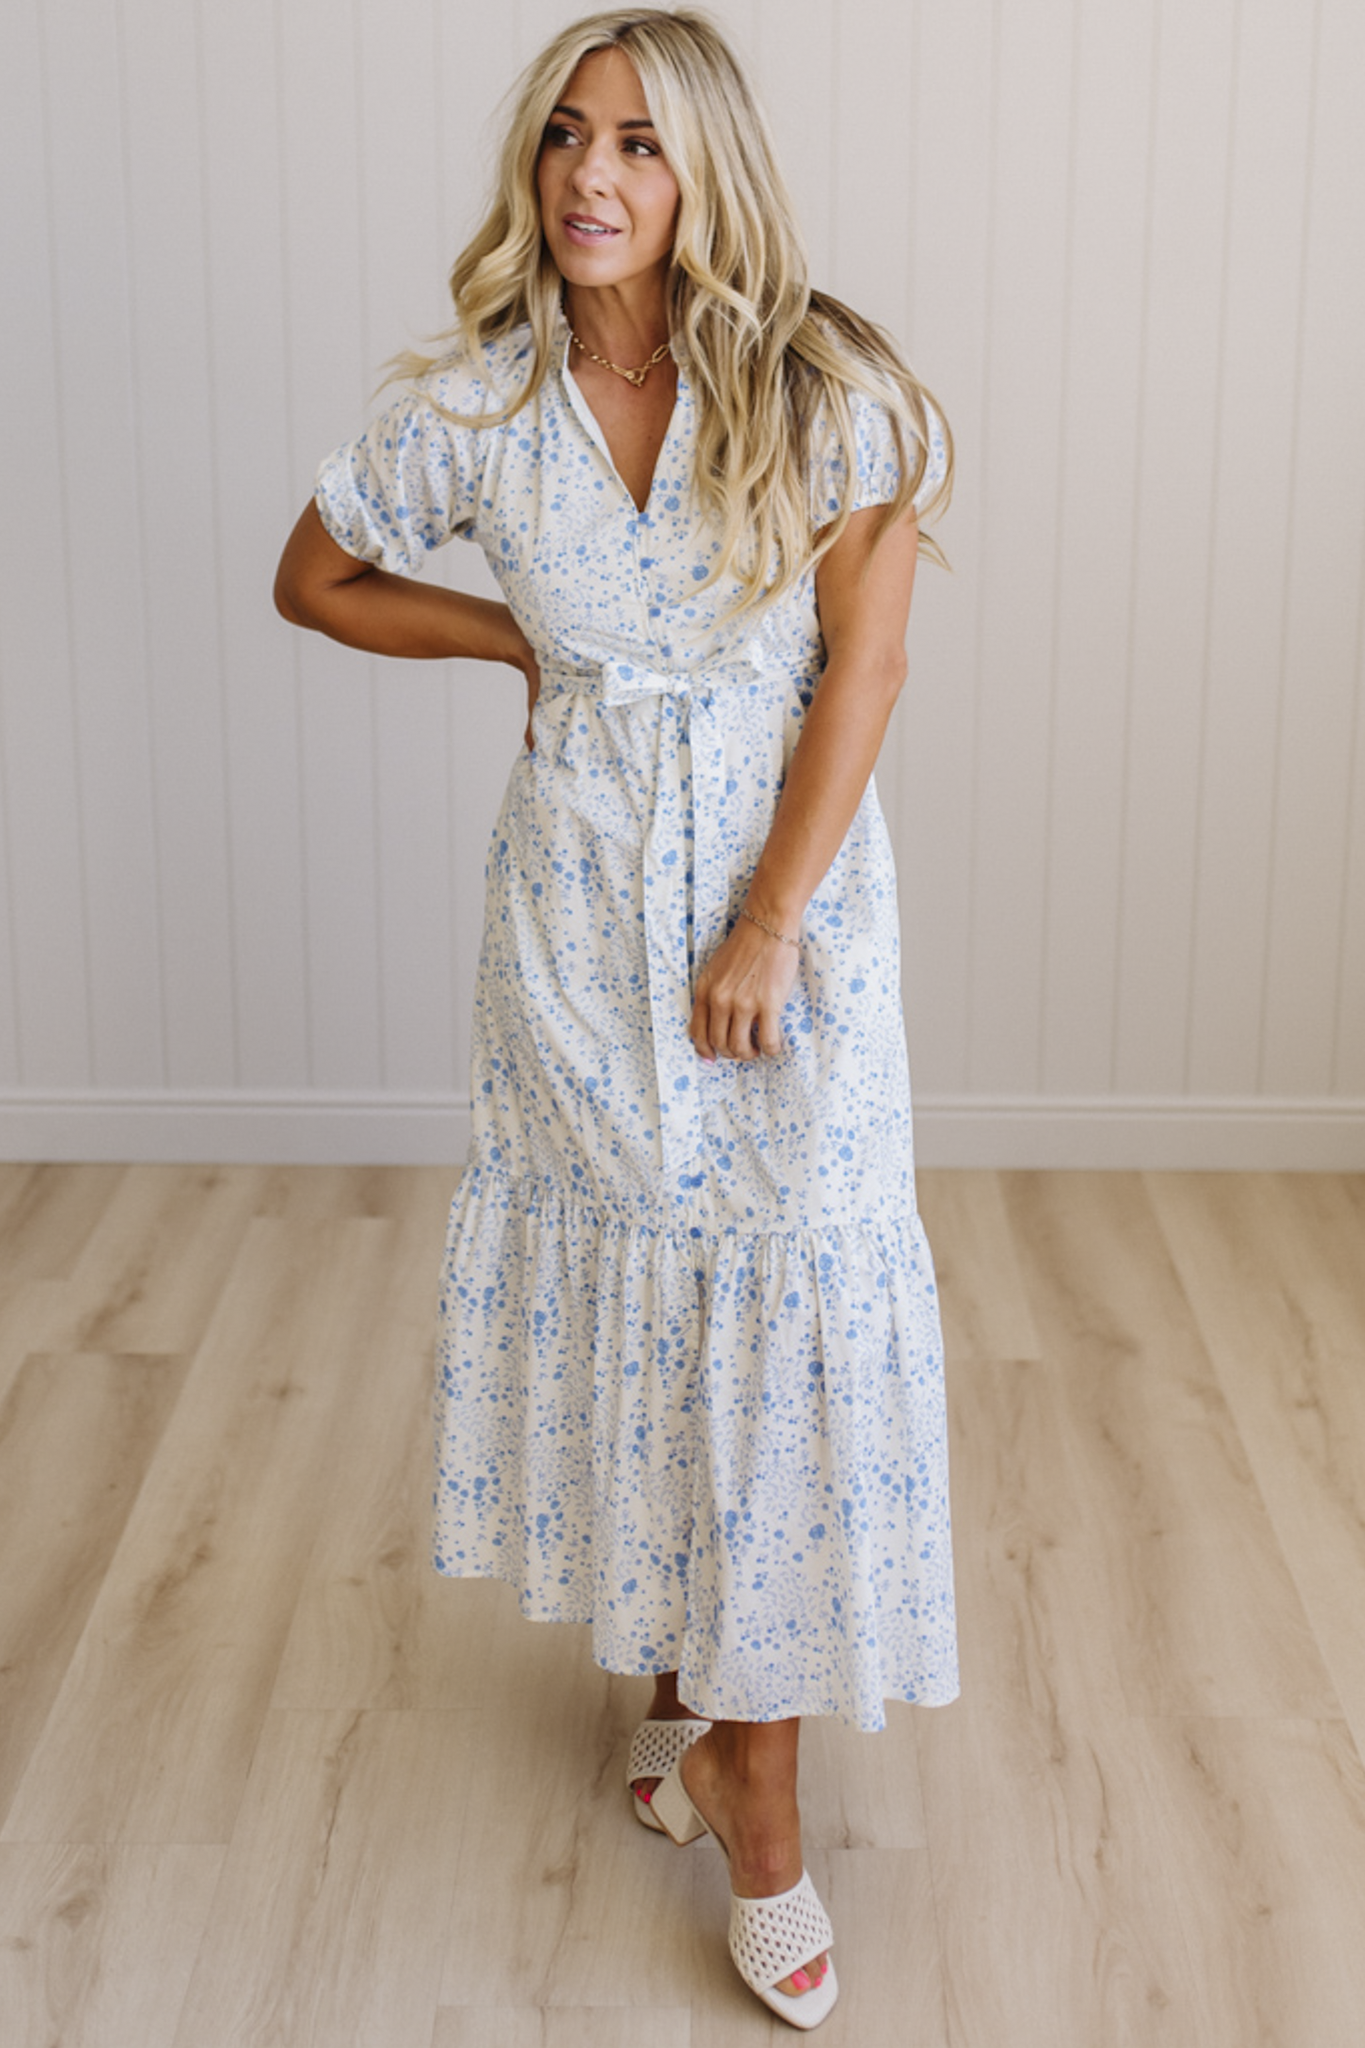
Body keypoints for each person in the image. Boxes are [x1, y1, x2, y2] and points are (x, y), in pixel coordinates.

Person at [275, 7, 957, 2028]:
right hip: (567, 930)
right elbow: (313, 578)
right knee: (654, 1300)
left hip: (789, 931)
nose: (593, 177)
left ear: (706, 176)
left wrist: (764, 919)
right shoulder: (478, 411)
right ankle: (693, 1698)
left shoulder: (833, 395)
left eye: (643, 146)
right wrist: (512, 637)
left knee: (773, 1302)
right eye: (568, 137)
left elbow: (866, 674)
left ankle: (758, 1794)